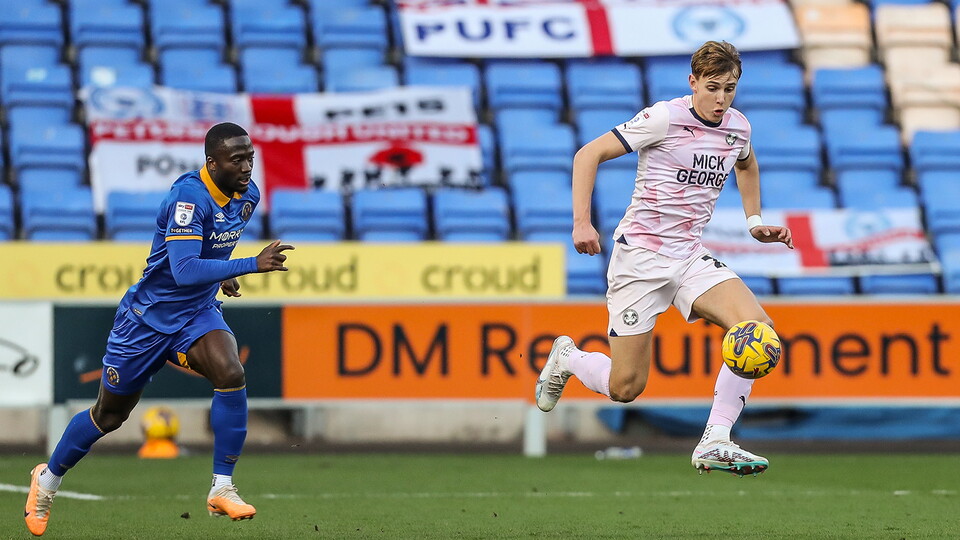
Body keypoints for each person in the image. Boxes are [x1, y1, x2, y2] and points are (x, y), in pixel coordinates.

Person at [534, 41, 793, 476]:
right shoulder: (664, 118)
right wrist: (582, 222)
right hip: (639, 261)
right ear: (693, 82)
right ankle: (568, 358)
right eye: (712, 88)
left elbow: (746, 165)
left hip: (689, 256)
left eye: (730, 89)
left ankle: (715, 439)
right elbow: (588, 154)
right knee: (625, 386)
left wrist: (754, 221)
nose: (721, 99)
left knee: (758, 332)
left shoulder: (738, 128)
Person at [25, 122, 294, 536]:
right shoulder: (188, 197)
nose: (246, 167)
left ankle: (222, 486)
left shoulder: (247, 196)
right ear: (211, 163)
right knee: (109, 416)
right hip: (145, 320)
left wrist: (220, 275)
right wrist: (248, 264)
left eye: (250, 157)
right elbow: (184, 270)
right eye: (236, 159)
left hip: (195, 315)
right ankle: (47, 480)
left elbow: (208, 249)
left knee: (231, 372)